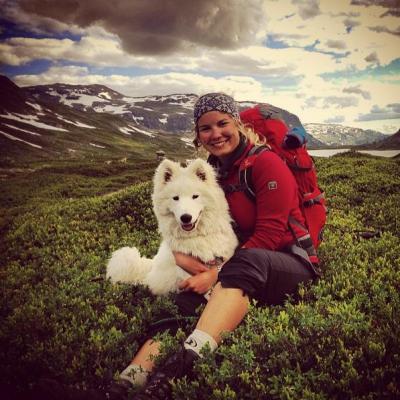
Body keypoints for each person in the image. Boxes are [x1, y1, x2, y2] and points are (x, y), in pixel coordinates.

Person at [106, 92, 318, 400]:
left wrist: (216, 274)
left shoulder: (267, 163)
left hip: (290, 264)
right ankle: (131, 377)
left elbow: (270, 236)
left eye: (222, 124)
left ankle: (178, 368)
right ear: (198, 134)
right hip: (242, 266)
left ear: (237, 123)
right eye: (206, 128)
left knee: (245, 262)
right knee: (185, 301)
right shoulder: (215, 169)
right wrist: (181, 255)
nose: (215, 134)